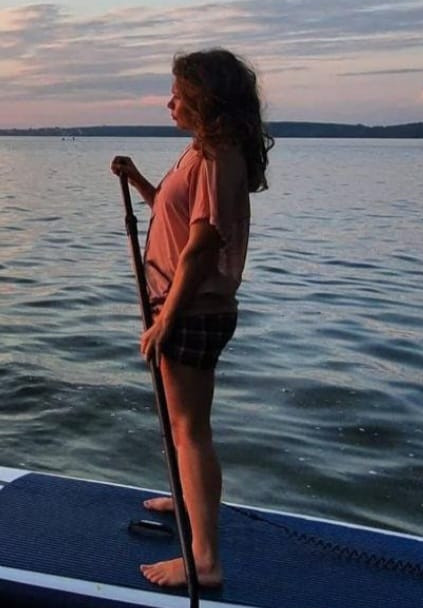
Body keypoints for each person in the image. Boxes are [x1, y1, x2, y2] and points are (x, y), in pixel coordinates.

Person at [110, 48, 274, 588]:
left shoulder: (218, 156)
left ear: (205, 98)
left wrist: (166, 320)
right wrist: (138, 181)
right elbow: (175, 216)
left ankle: (204, 561)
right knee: (181, 428)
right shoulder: (201, 152)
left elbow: (202, 244)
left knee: (191, 431)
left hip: (191, 310)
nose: (170, 102)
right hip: (181, 306)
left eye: (179, 94)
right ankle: (185, 501)